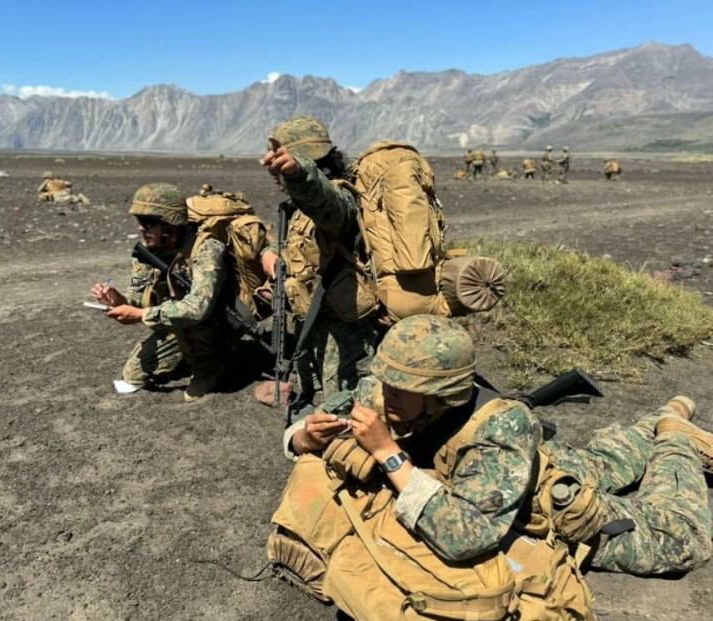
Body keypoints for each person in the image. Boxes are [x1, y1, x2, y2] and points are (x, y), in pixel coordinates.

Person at [285, 315, 712, 576]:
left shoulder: (502, 429)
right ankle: (663, 418)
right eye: (387, 383)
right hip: (514, 470)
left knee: (682, 541)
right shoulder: (383, 393)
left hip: (541, 495)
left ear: (441, 393)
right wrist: (304, 437)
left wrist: (387, 454)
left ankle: (675, 437)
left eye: (403, 388)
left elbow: (465, 537)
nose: (387, 395)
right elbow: (306, 431)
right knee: (603, 460)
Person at [260, 116, 381, 403]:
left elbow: (326, 203)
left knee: (343, 408)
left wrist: (300, 175)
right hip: (312, 321)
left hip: (344, 332)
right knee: (313, 393)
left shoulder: (339, 198)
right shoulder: (295, 208)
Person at [91, 183, 238, 401]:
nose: (142, 228)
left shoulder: (206, 248)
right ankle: (185, 358)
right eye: (140, 222)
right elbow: (139, 299)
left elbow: (197, 309)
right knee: (132, 375)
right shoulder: (147, 253)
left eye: (149, 223)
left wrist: (141, 315)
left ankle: (208, 370)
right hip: (174, 323)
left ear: (171, 224)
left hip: (213, 323)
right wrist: (118, 300)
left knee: (195, 329)